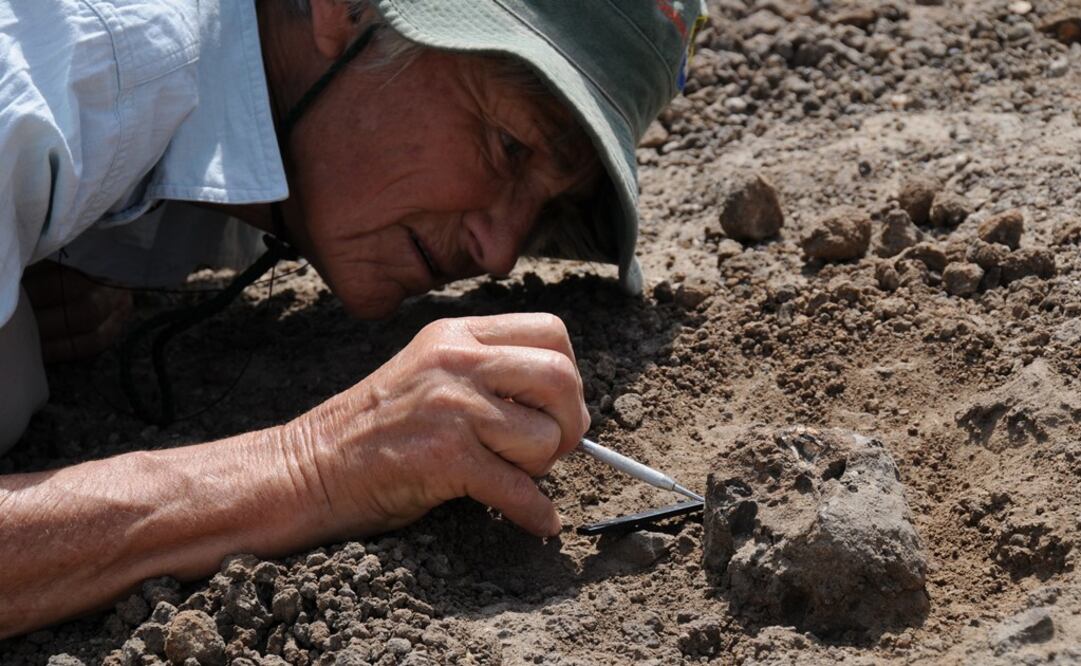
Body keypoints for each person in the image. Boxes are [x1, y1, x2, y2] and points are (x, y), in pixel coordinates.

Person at [0, 0, 707, 637]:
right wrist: (313, 465)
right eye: (508, 146)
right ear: (344, 11)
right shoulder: (75, 77)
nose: (500, 254)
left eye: (549, 209)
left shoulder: (301, 127)